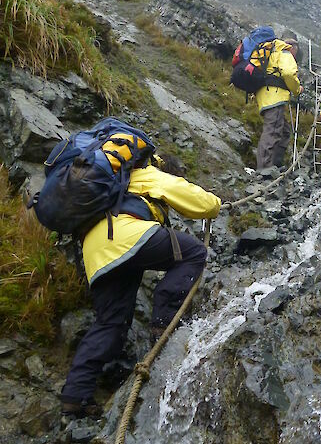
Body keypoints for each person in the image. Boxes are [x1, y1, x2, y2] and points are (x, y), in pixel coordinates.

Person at [60, 158, 221, 418]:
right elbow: (200, 202)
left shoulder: (116, 182)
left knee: (110, 324)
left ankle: (75, 396)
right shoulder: (148, 175)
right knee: (193, 253)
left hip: (95, 253)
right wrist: (217, 204)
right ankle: (164, 322)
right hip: (125, 236)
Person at [255, 38, 303, 169]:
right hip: (274, 96)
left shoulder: (272, 54)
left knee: (284, 131)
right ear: (292, 48)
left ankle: (275, 164)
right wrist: (297, 89)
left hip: (266, 95)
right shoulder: (284, 53)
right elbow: (288, 73)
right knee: (273, 131)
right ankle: (264, 169)